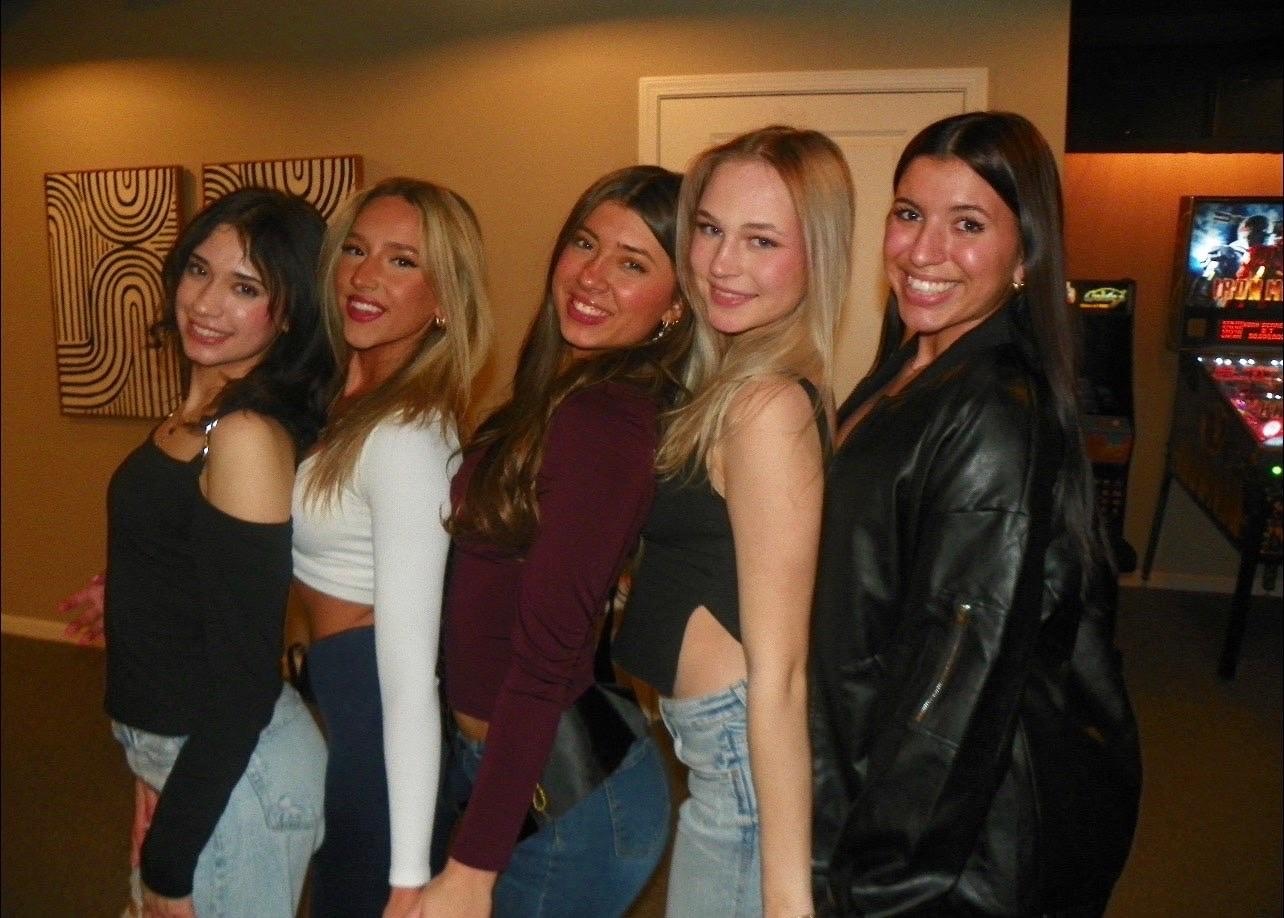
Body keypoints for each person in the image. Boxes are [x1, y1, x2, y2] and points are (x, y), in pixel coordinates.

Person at [810, 111, 1142, 916]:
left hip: (940, 850)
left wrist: (877, 884)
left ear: (1025, 253)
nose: (923, 252)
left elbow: (959, 681)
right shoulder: (911, 364)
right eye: (909, 214)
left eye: (968, 224)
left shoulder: (995, 410)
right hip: (864, 765)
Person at [420, 165, 687, 917]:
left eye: (633, 264)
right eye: (585, 243)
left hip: (566, 800)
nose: (592, 276)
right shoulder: (552, 398)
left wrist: (473, 868)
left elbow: (546, 660)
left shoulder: (603, 423)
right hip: (513, 766)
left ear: (675, 307)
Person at [61, 187, 335, 917]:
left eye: (245, 287)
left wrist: (170, 858)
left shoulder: (246, 436)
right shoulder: (196, 415)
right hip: (183, 760)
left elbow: (243, 684)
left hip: (233, 777)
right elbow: (192, 552)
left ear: (289, 313)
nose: (206, 303)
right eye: (198, 270)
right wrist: (130, 595)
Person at [613, 126, 853, 917]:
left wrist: (786, 898)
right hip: (714, 753)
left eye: (762, 240)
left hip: (744, 764)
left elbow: (782, 674)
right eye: (711, 229)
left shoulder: (767, 406)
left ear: (816, 256)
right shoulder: (729, 381)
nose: (721, 263)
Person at [293, 177, 492, 917]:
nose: (366, 275)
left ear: (444, 299)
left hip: (376, 711)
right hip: (335, 693)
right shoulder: (341, 398)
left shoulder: (407, 437)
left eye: (402, 261)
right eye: (356, 250)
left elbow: (409, 676)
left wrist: (409, 876)